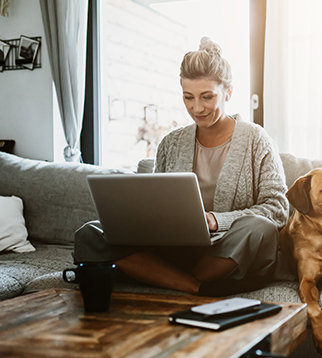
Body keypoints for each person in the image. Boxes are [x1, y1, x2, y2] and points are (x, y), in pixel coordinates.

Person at [73, 37, 289, 296]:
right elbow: (155, 202)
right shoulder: (171, 142)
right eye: (188, 97)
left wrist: (215, 220)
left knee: (260, 228)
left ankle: (160, 276)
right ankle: (197, 287)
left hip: (227, 249)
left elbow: (277, 209)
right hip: (175, 249)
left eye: (207, 97)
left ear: (228, 92)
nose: (197, 108)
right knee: (89, 233)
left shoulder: (256, 139)